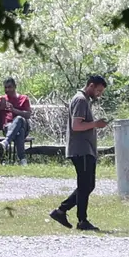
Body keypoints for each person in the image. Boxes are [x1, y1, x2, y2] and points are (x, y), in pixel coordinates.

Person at [49, 75, 109, 231]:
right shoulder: (81, 100)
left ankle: (61, 211)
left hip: (87, 149)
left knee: (89, 185)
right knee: (84, 186)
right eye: (98, 90)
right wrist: (96, 124)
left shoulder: (85, 100)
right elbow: (76, 126)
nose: (99, 94)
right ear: (90, 85)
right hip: (80, 149)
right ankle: (82, 221)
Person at [0, 77, 32, 166]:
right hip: (8, 128)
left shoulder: (24, 98)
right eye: (5, 87)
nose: (7, 90)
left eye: (9, 87)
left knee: (19, 119)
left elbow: (28, 115)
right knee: (19, 131)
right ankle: (22, 160)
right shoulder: (1, 99)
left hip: (25, 127)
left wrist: (14, 110)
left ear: (15, 87)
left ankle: (5, 142)